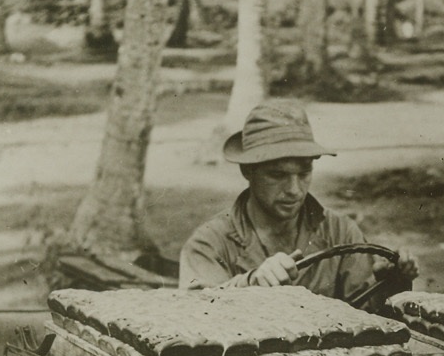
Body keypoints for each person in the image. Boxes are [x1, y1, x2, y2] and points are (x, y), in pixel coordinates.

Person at [179, 100, 418, 308]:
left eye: (304, 173)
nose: (294, 190)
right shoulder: (209, 244)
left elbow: (369, 321)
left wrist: (391, 283)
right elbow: (198, 316)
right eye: (277, 175)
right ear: (248, 171)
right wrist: (251, 283)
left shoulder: (341, 233)